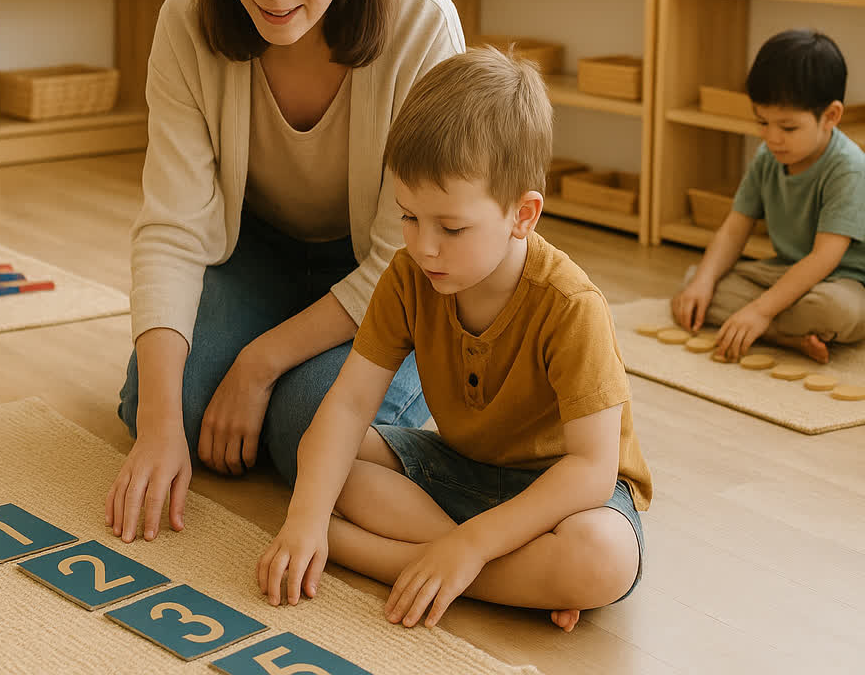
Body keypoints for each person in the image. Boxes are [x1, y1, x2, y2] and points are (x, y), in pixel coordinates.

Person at [108, 0, 465, 544]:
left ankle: (422, 402)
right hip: (259, 254)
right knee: (156, 398)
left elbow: (406, 255)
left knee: (308, 426)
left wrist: (259, 363)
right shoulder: (186, 20)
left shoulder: (424, 28)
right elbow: (172, 231)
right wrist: (158, 429)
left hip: (403, 280)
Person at [256, 47, 651, 633]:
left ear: (523, 215)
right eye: (409, 217)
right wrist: (305, 519)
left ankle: (398, 559)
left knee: (604, 557)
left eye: (452, 227)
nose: (423, 246)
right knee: (332, 461)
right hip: (459, 471)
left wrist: (470, 547)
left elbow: (591, 471)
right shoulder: (407, 277)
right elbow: (346, 407)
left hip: (559, 498)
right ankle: (497, 575)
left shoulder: (571, 307)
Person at [672, 28, 865, 363]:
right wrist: (703, 282)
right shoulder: (767, 156)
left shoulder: (849, 169)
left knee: (835, 311)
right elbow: (734, 229)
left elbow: (823, 259)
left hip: (844, 283)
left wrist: (760, 309)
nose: (772, 138)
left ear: (831, 117)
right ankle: (785, 336)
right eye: (762, 122)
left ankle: (761, 324)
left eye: (788, 128)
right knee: (695, 284)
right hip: (784, 272)